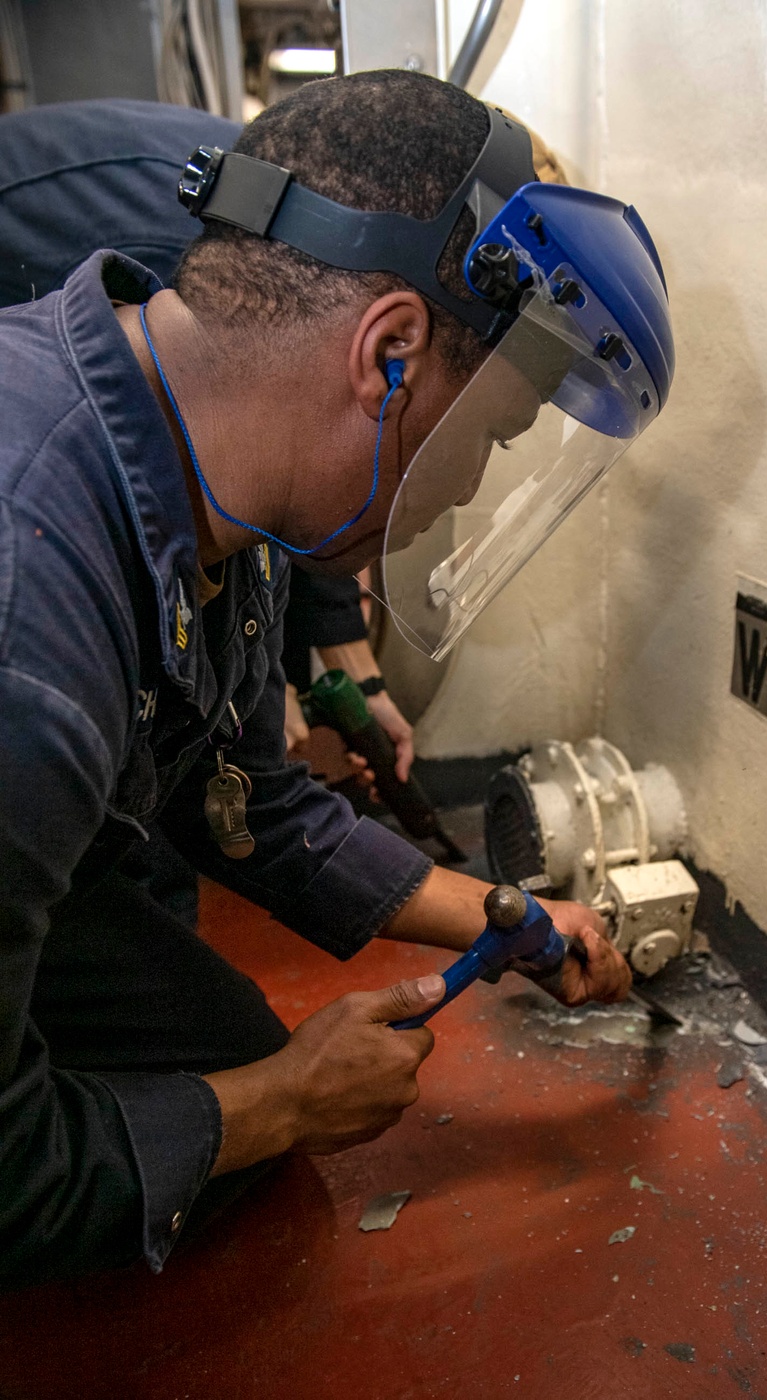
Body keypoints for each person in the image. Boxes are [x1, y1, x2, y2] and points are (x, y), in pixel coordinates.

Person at [0, 69, 673, 1288]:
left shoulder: (219, 479)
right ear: (391, 351)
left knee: (207, 1054)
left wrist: (505, 918)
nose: (466, 485)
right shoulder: (27, 648)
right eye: (493, 432)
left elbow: (242, 796)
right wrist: (281, 1103)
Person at [0, 97, 412, 787]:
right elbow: (236, 462)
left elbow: (286, 456)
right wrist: (260, 680)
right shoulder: (219, 253)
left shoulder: (317, 236)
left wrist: (354, 676)